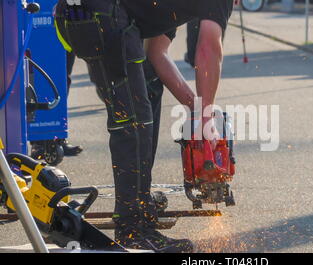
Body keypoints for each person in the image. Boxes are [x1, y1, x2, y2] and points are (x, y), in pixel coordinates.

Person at [54, 0, 234, 252]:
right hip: (103, 17)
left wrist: (197, 109)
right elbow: (208, 49)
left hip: (87, 16)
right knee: (134, 124)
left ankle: (140, 203)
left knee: (144, 97)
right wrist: (207, 118)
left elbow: (157, 54)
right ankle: (134, 229)